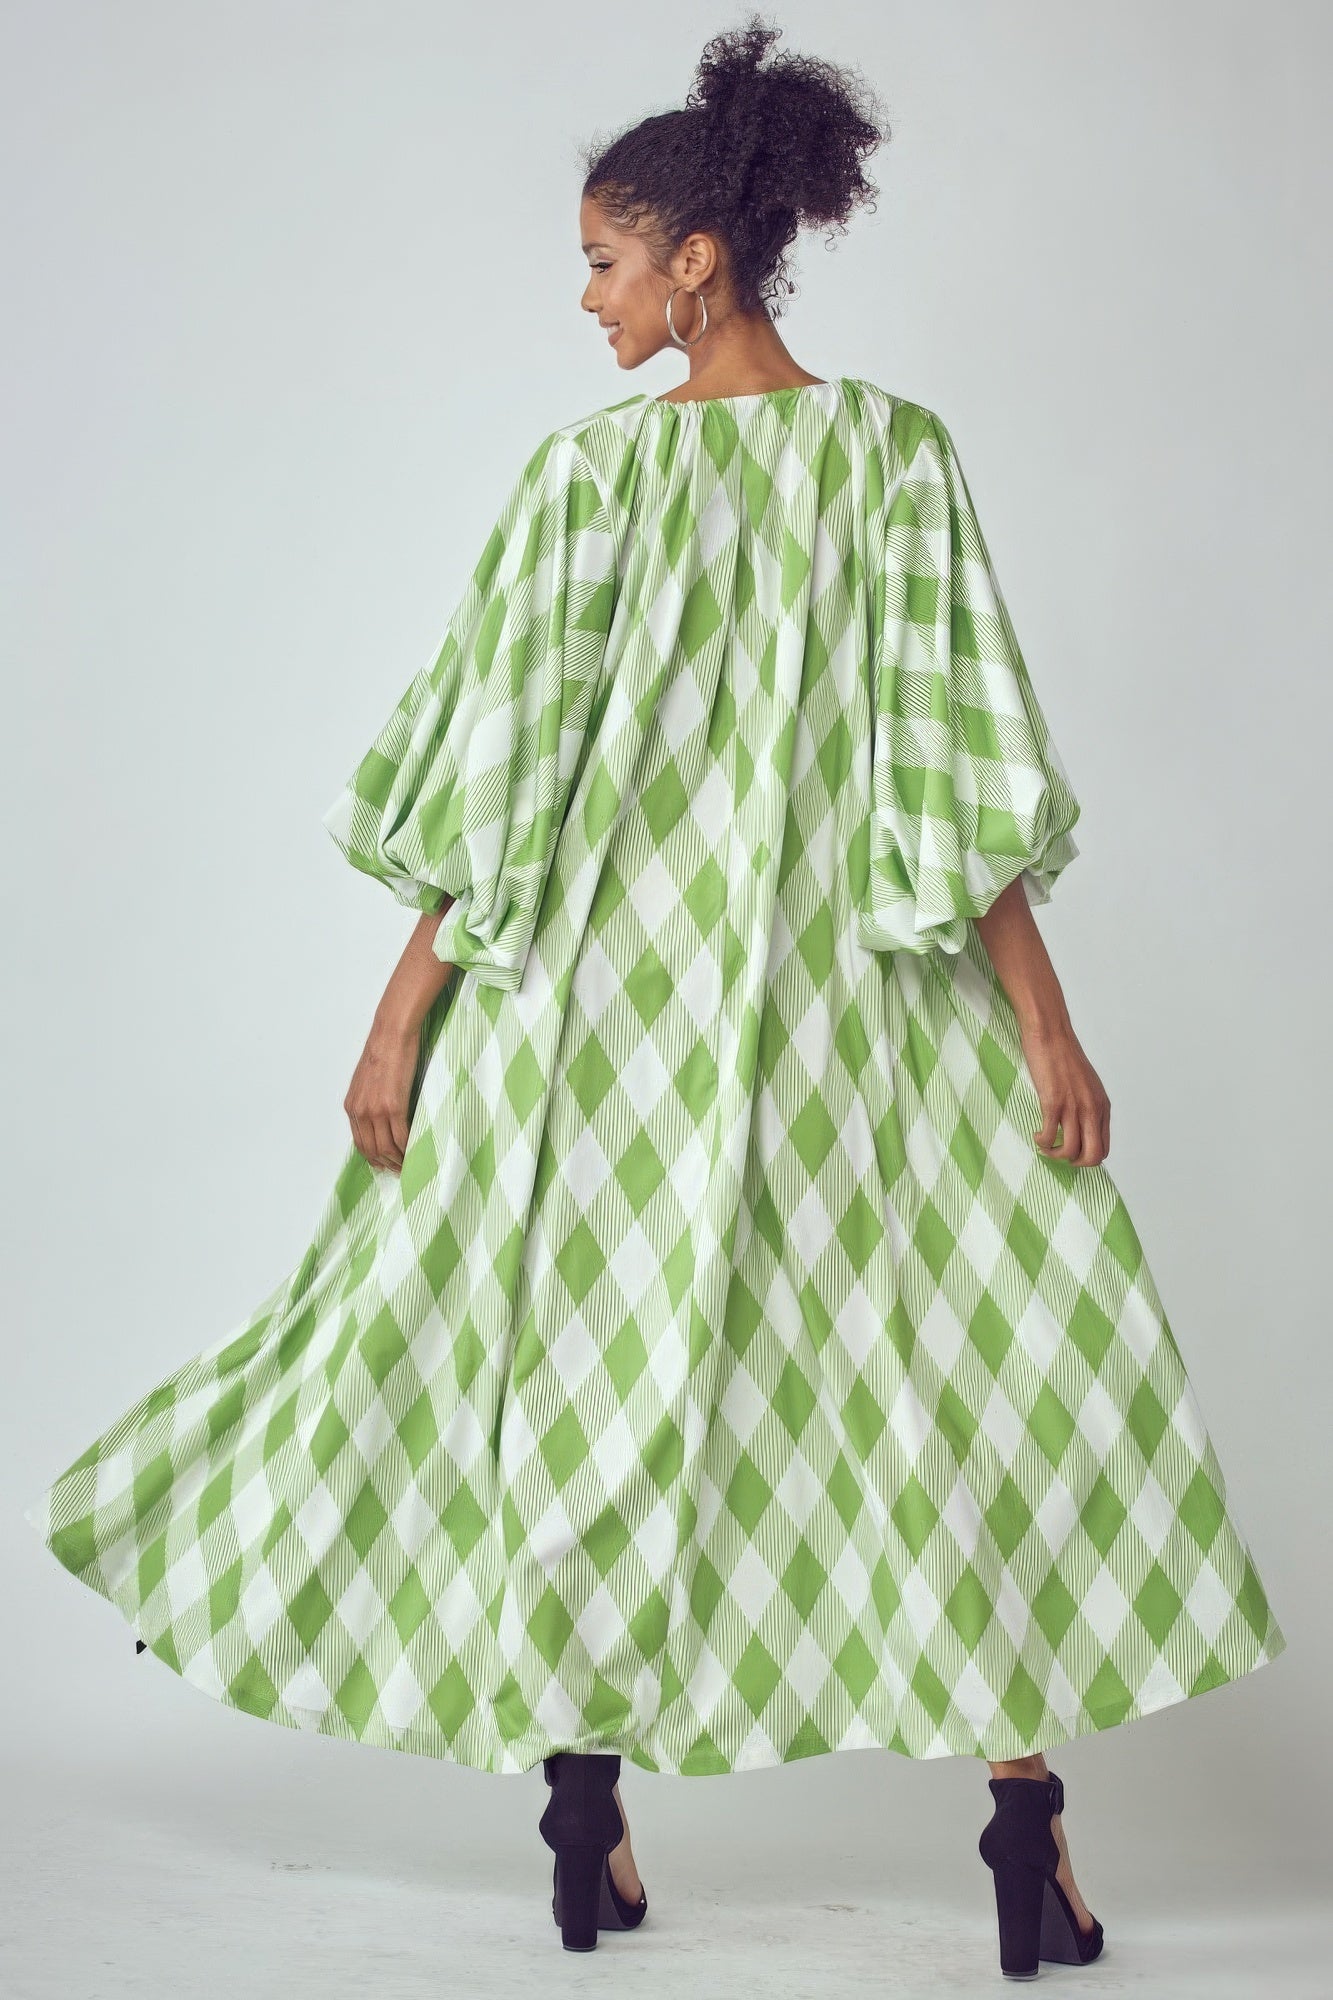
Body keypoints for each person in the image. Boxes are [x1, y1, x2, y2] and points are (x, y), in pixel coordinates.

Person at [23, 12, 1287, 1978]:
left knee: (577, 1385)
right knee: (925, 1387)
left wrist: (400, 1015)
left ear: (696, 257)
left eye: (605, 262)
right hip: (842, 1030)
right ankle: (1020, 1829)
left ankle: (582, 1804)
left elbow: (498, 788)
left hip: (601, 1039)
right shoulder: (891, 459)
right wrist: (1040, 1022)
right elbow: (954, 778)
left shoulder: (588, 483)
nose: (589, 301)